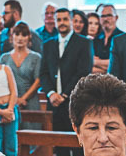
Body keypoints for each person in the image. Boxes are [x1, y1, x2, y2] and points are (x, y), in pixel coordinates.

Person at [40, 8, 94, 144]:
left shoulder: (84, 43)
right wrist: (51, 93)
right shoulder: (48, 44)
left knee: (77, 144)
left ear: (71, 21)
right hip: (54, 103)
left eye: (65, 19)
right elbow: (43, 73)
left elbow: (83, 72)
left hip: (75, 101)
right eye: (59, 20)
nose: (62, 23)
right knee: (59, 144)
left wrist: (64, 95)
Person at [0, 22, 43, 130]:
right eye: (17, 34)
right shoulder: (4, 58)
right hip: (9, 102)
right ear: (12, 36)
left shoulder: (36, 57)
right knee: (12, 135)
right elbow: (0, 82)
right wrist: (13, 100)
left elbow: (38, 81)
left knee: (32, 136)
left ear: (29, 37)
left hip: (30, 101)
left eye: (24, 35)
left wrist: (23, 98)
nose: (20, 38)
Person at [93, 3, 120, 73]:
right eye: (102, 16)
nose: (105, 19)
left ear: (116, 17)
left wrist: (95, 62)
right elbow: (89, 66)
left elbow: (120, 64)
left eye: (109, 15)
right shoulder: (95, 40)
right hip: (97, 82)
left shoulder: (123, 38)